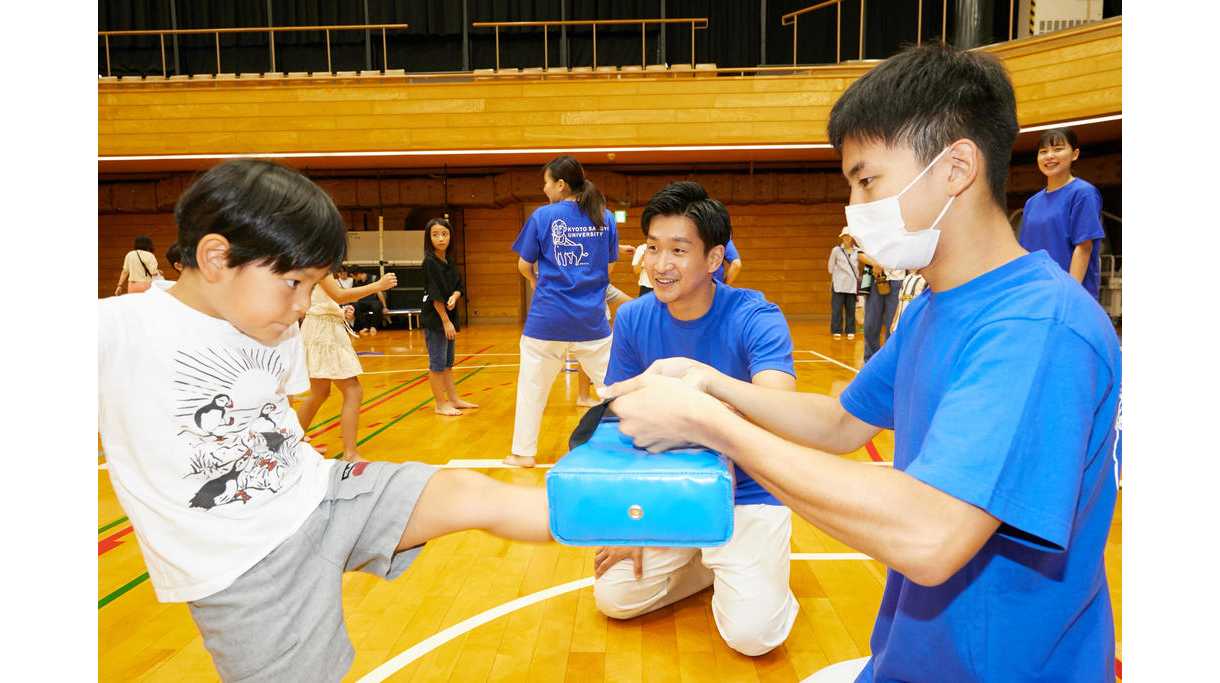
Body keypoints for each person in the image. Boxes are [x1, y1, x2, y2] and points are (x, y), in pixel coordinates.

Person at [604, 45, 1120, 681]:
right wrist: (711, 383)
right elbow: (841, 422)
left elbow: (932, 535)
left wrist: (708, 420)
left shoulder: (1039, 328)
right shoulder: (937, 305)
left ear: (956, 166)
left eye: (867, 179)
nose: (854, 205)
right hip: (910, 655)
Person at [97, 159, 553, 682]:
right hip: (244, 572)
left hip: (323, 494)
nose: (303, 304)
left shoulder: (277, 328)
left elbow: (279, 420)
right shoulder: (117, 329)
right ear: (217, 257)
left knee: (468, 493)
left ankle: (621, 520)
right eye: (293, 283)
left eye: (312, 285)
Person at [592, 181, 799, 657]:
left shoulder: (755, 315)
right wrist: (632, 522)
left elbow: (780, 407)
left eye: (678, 250)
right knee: (616, 597)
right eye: (652, 248)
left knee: (753, 636)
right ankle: (707, 562)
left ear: (713, 259)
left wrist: (701, 399)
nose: (660, 265)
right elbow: (618, 424)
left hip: (745, 490)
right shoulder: (633, 319)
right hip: (668, 485)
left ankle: (742, 564)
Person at [505, 155, 619, 468]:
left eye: (546, 182)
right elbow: (607, 266)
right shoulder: (605, 217)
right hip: (591, 321)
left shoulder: (543, 217)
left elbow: (524, 264)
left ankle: (523, 453)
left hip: (547, 320)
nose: (543, 189)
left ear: (560, 184)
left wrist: (536, 282)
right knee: (615, 389)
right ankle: (639, 444)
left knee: (532, 389)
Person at [294, 267, 397, 463]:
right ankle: (350, 453)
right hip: (323, 332)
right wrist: (378, 285)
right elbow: (339, 295)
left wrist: (339, 311)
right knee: (353, 390)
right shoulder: (320, 265)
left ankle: (291, 443)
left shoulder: (316, 265)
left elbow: (323, 300)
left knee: (319, 392)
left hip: (321, 327)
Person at [1018, 127, 1107, 299]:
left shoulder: (1083, 193)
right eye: (1043, 151)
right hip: (1036, 293)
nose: (1050, 156)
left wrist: (1070, 293)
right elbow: (1025, 251)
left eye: (1058, 149)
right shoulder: (1032, 202)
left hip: (1069, 295)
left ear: (1074, 154)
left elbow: (1083, 247)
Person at [421, 217, 479, 416]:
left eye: (444, 234)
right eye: (435, 235)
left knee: (447, 363)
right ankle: (440, 404)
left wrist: (455, 296)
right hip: (436, 319)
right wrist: (445, 321)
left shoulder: (449, 261)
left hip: (449, 317)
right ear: (429, 238)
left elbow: (458, 287)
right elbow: (435, 294)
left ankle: (453, 399)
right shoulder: (429, 262)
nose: (440, 238)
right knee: (437, 364)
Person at [857, 252, 904, 362]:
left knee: (892, 326)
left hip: (897, 279)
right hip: (869, 275)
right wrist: (874, 264)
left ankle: (889, 362)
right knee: (870, 325)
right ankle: (870, 361)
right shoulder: (868, 234)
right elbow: (859, 254)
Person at [827, 227, 859, 340]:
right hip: (838, 284)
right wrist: (836, 276)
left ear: (852, 238)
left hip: (852, 284)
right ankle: (836, 330)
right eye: (844, 236)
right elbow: (830, 267)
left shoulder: (857, 251)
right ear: (842, 237)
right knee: (837, 309)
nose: (847, 238)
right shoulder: (836, 250)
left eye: (848, 236)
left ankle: (850, 330)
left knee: (851, 308)